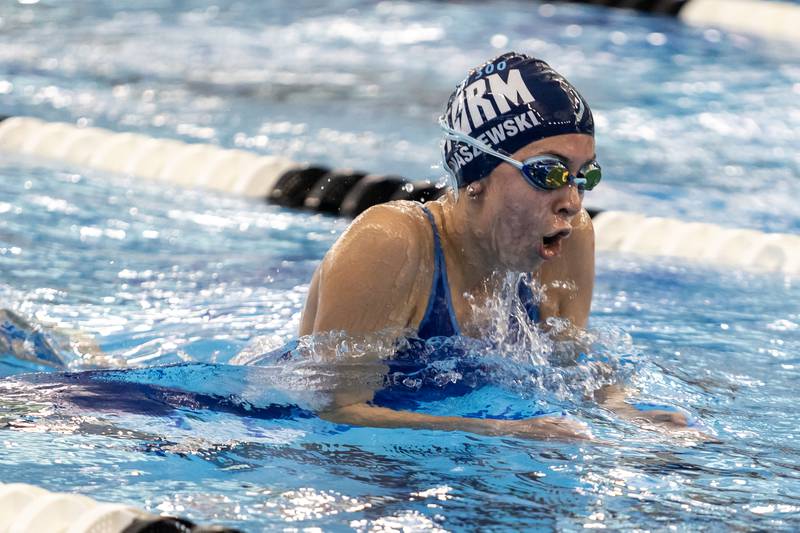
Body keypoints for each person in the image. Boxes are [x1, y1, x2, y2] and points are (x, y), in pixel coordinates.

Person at [299, 52, 690, 440]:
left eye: (584, 176)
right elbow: (334, 409)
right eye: (548, 172)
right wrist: (496, 431)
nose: (572, 202)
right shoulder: (391, 243)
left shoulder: (569, 237)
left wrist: (620, 410)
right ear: (476, 177)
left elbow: (571, 367)